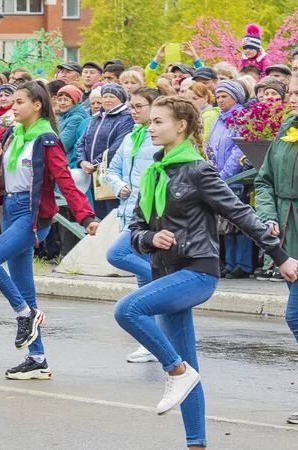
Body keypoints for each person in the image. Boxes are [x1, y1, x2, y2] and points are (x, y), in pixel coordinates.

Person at [115, 95, 297, 448]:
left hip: (197, 272)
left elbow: (240, 213)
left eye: (158, 121)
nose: (150, 127)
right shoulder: (156, 171)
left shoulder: (199, 170)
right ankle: (196, 442)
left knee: (128, 309)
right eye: (150, 121)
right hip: (165, 272)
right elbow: (136, 230)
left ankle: (175, 370)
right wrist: (152, 237)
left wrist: (280, 255)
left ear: (181, 125)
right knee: (190, 368)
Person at [0, 81, 98, 379]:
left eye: (20, 102)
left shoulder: (46, 139)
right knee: (24, 285)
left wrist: (86, 217)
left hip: (31, 213)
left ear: (37, 105)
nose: (14, 106)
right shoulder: (13, 134)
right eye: (12, 101)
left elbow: (65, 180)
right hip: (8, 210)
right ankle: (37, 358)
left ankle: (25, 314)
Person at [102, 87, 163, 364]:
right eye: (132, 106)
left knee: (116, 255)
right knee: (141, 286)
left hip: (149, 216)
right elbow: (111, 170)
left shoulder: (159, 138)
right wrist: (119, 186)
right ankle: (151, 343)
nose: (133, 110)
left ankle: (161, 279)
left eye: (139, 106)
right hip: (127, 212)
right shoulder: (130, 137)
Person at [254, 75, 298, 425]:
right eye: (292, 92)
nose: (293, 99)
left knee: (295, 316)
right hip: (286, 234)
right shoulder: (287, 127)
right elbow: (264, 179)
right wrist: (267, 216)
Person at [207, 80, 252, 279]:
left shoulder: (242, 117)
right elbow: (211, 146)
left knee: (239, 221)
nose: (220, 100)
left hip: (235, 178)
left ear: (236, 97)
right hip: (219, 176)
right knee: (225, 222)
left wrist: (224, 175)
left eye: (224, 96)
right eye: (218, 96)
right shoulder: (219, 118)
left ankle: (243, 263)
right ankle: (230, 262)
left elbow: (239, 150)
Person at [76, 83, 135, 219]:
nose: (107, 100)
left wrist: (95, 163)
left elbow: (116, 147)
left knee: (112, 214)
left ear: (120, 99)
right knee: (98, 213)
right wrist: (82, 161)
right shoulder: (95, 118)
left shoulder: (126, 119)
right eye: (105, 96)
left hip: (110, 174)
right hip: (93, 174)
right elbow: (82, 141)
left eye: (112, 97)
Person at [54, 85, 89, 164]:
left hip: (71, 163)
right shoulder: (62, 116)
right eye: (59, 100)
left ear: (75, 101)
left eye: (66, 100)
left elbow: (63, 144)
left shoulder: (76, 119)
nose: (62, 103)